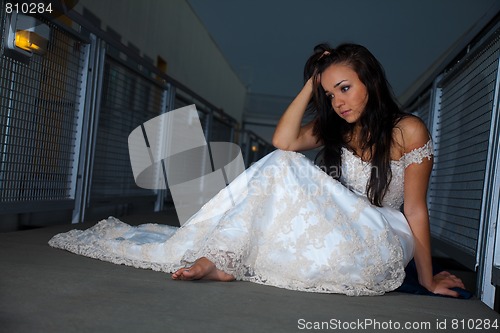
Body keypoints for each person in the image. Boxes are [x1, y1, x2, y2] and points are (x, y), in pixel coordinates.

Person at [49, 43, 465, 297]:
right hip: (340, 229)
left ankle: (222, 261)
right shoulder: (333, 126)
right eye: (329, 93)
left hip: (382, 236)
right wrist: (311, 84)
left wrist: (426, 280)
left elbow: (415, 211)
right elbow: (283, 142)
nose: (339, 101)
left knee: (284, 170)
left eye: (345, 88)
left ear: (369, 81)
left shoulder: (408, 130)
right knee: (283, 162)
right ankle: (222, 259)